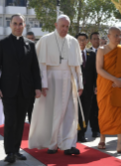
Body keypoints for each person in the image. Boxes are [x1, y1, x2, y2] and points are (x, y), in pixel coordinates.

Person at [28, 14, 83, 156]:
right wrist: (43, 83)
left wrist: (80, 84)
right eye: (62, 26)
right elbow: (41, 65)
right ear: (55, 25)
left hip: (70, 81)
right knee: (53, 113)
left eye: (67, 27)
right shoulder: (46, 40)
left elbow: (77, 66)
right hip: (52, 82)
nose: (65, 29)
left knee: (70, 114)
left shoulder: (73, 42)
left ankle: (68, 144)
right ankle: (52, 144)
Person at [0, 14, 41, 163]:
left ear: (24, 25)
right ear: (10, 25)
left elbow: (35, 69)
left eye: (20, 24)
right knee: (11, 119)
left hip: (26, 90)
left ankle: (16, 149)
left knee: (20, 121)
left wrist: (37, 87)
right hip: (8, 89)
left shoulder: (30, 45)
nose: (18, 26)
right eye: (15, 23)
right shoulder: (2, 43)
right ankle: (9, 152)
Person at [96, 27, 121, 154]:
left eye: (120, 35)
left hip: (120, 86)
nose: (118, 37)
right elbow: (99, 69)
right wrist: (114, 79)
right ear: (109, 36)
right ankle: (102, 138)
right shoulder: (101, 50)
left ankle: (120, 144)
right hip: (106, 86)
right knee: (105, 112)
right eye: (116, 35)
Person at [76, 32, 97, 142]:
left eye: (84, 39)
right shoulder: (72, 54)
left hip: (88, 89)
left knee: (86, 111)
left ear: (87, 41)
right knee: (76, 111)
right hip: (75, 89)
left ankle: (82, 134)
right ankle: (74, 133)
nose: (82, 42)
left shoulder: (92, 54)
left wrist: (96, 86)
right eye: (80, 39)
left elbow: (95, 72)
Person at [88, 32, 101, 137]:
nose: (96, 40)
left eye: (98, 38)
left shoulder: (104, 51)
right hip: (91, 84)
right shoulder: (88, 52)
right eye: (94, 39)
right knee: (93, 108)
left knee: (101, 108)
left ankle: (101, 127)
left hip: (103, 83)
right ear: (91, 41)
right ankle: (94, 129)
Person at [25, 31, 36, 123]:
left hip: (33, 84)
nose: (30, 40)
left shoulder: (38, 49)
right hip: (23, 84)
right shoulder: (22, 49)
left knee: (32, 108)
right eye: (28, 38)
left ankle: (32, 124)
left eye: (31, 38)